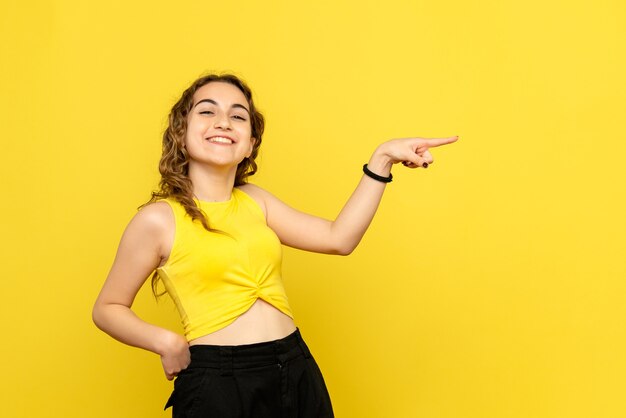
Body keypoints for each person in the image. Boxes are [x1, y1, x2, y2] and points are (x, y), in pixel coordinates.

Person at [92, 73, 458, 418]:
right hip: (220, 383)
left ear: (250, 143)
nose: (223, 122)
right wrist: (165, 342)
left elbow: (339, 239)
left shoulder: (256, 201)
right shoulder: (158, 219)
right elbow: (108, 307)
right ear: (181, 132)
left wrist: (382, 159)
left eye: (238, 116)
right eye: (207, 111)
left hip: (295, 367)